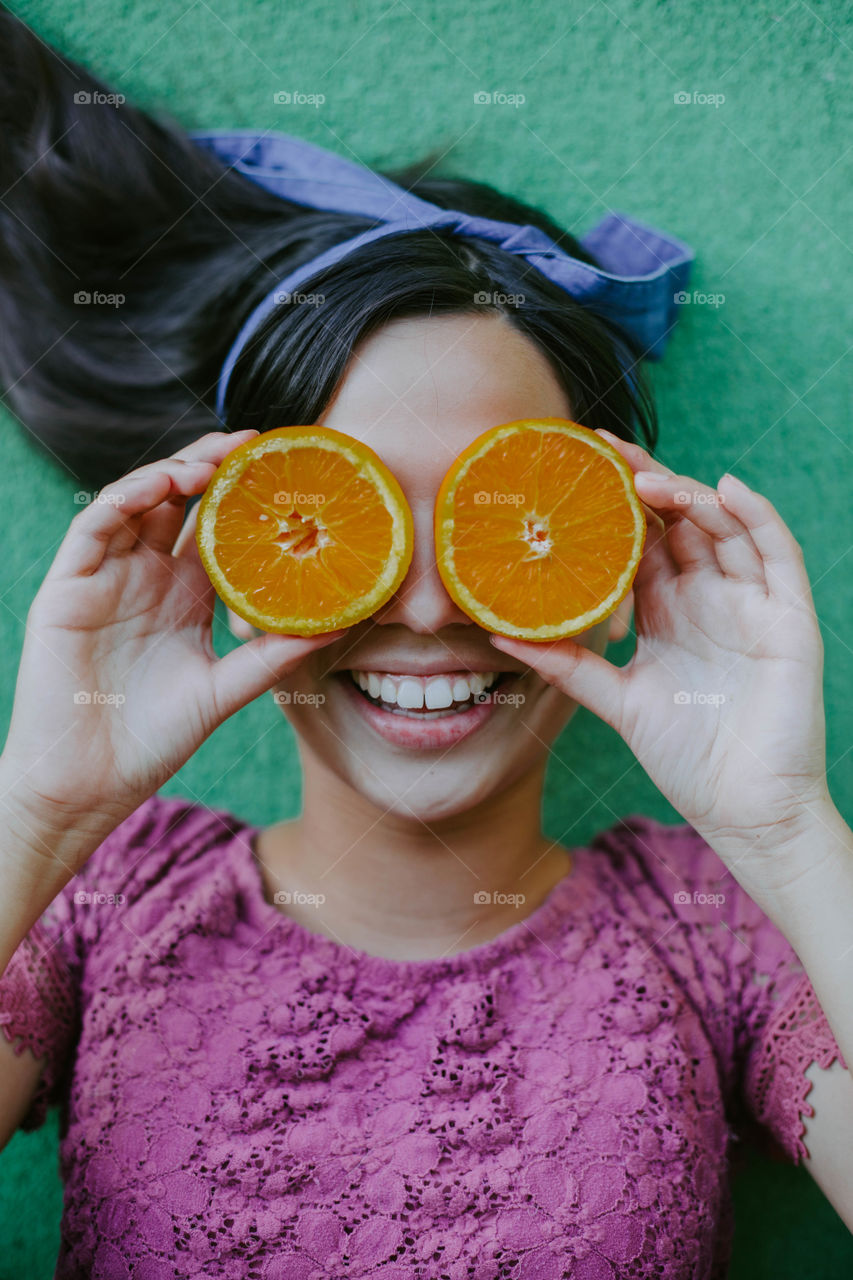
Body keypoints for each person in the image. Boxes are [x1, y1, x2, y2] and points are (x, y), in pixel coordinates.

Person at [1, 9, 851, 1278]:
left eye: (503, 522)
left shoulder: (719, 926)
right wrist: (39, 810)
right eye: (345, 525)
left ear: (617, 562)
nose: (426, 607)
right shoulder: (95, 899)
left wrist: (785, 826)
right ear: (234, 565)